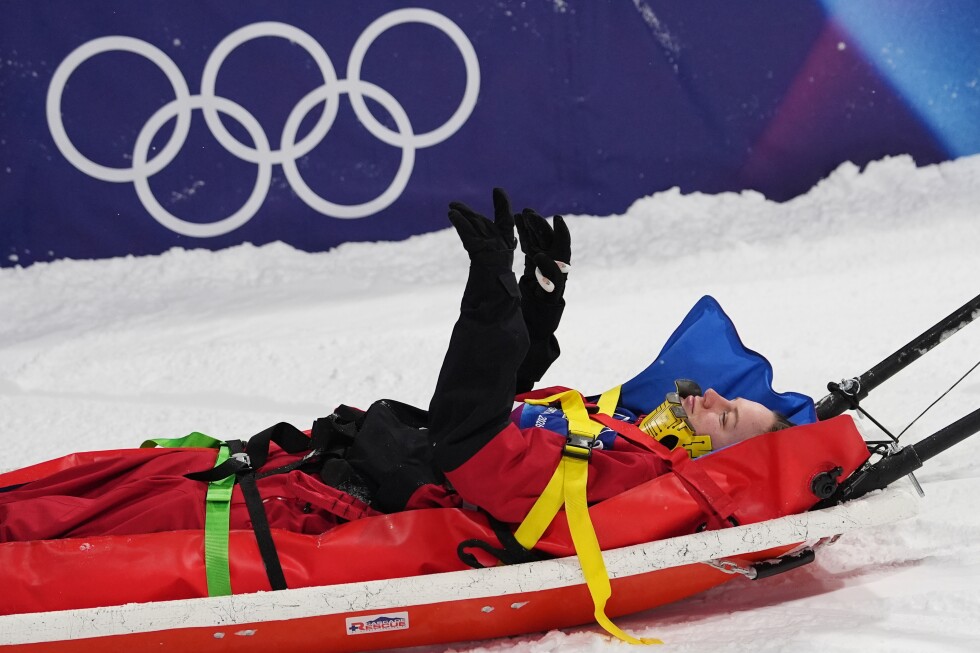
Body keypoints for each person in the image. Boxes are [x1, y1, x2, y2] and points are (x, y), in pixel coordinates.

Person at [0, 188, 792, 544]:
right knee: (77, 482)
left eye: (726, 417)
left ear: (706, 461)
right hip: (301, 462)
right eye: (725, 396)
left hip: (307, 509)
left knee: (56, 523)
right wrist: (535, 299)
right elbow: (517, 408)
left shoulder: (618, 484)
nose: (711, 397)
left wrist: (488, 306)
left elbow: (472, 440)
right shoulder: (619, 442)